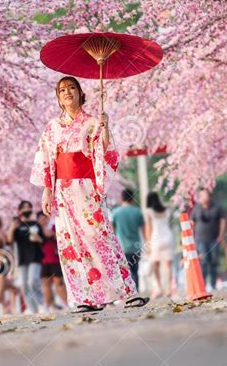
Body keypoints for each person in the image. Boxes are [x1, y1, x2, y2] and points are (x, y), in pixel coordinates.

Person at [30, 75, 148, 313]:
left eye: (72, 87)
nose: (67, 92)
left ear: (80, 93)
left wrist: (104, 129)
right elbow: (47, 161)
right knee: (70, 243)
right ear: (58, 98)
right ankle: (84, 297)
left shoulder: (93, 122)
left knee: (101, 238)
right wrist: (47, 191)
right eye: (62, 90)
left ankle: (127, 292)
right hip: (62, 191)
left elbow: (104, 153)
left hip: (86, 187)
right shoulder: (52, 128)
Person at [7, 201, 43, 313]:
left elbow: (42, 239)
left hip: (35, 257)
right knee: (24, 285)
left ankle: (41, 304)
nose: (27, 210)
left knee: (33, 281)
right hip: (22, 259)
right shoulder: (17, 226)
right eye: (24, 208)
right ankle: (32, 309)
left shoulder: (36, 223)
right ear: (19, 211)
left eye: (29, 207)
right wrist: (12, 228)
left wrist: (39, 239)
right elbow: (9, 240)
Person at [191, 188, 226, 290]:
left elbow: (222, 221)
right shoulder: (196, 208)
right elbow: (192, 223)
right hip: (200, 239)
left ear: (209, 196)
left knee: (214, 260)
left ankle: (213, 284)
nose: (203, 198)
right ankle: (203, 284)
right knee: (204, 261)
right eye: (201, 196)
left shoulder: (216, 207)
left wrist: (221, 235)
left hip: (214, 238)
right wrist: (191, 238)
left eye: (205, 195)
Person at [112, 189, 145, 291]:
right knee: (135, 270)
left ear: (122, 198)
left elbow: (112, 231)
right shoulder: (137, 212)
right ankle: (137, 290)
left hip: (122, 247)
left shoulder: (115, 213)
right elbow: (143, 229)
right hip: (136, 246)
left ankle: (129, 291)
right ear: (132, 198)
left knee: (126, 271)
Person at [145, 191, 176, 298]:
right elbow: (170, 226)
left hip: (156, 239)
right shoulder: (167, 210)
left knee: (155, 264)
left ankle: (159, 288)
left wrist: (148, 245)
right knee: (168, 266)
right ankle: (168, 290)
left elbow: (149, 229)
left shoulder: (149, 212)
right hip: (168, 237)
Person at [37, 210, 67, 311]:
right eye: (40, 219)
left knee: (59, 283)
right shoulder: (36, 230)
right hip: (43, 260)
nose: (43, 220)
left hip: (54, 259)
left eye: (44, 218)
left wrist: (53, 234)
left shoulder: (54, 227)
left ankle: (66, 304)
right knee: (46, 284)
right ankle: (48, 306)